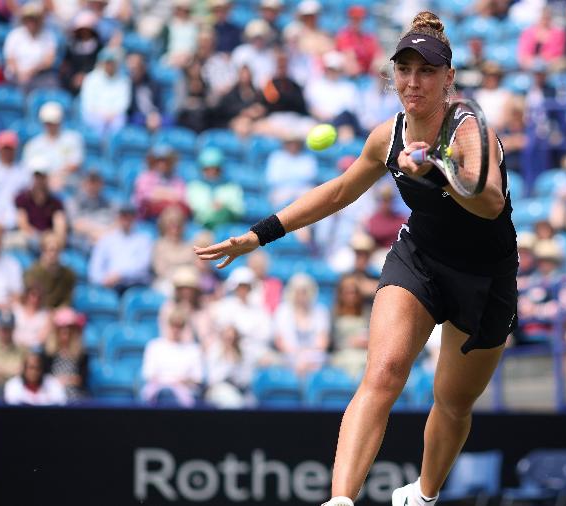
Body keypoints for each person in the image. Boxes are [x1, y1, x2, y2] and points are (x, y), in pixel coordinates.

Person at [195, 11, 518, 506]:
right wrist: (258, 236)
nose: (413, 82)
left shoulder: (468, 130)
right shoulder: (386, 136)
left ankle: (424, 494)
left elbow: (490, 198)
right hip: (421, 260)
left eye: (427, 71)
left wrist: (436, 169)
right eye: (404, 70)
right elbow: (339, 191)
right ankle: (340, 501)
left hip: (485, 280)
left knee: (453, 403)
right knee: (383, 372)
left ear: (449, 78)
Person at [140, 307, 202, 407]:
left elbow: (196, 379)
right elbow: (149, 374)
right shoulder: (154, 346)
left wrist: (180, 383)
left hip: (184, 393)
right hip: (157, 392)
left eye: (180, 325)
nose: (176, 329)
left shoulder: (193, 350)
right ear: (167, 324)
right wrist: (170, 383)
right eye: (173, 324)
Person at [21, 102, 85, 192]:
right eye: (48, 122)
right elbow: (29, 169)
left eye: (54, 122)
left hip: (67, 184)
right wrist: (48, 179)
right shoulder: (33, 145)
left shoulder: (72, 139)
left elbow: (75, 163)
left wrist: (56, 177)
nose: (51, 126)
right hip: (41, 185)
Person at [42, 307, 89, 401]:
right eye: (62, 330)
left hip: (75, 398)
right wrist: (56, 382)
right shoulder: (48, 354)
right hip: (53, 398)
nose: (65, 333)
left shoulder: (81, 354)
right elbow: (44, 378)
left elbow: (82, 379)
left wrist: (64, 380)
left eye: (69, 330)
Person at [24, 233, 76, 309]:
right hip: (39, 311)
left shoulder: (68, 274)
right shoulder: (32, 272)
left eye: (57, 250)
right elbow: (32, 299)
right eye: (50, 250)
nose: (53, 254)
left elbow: (67, 299)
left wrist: (58, 311)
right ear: (43, 250)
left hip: (58, 313)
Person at [0, 310, 25, 398]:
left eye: (8, 329)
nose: (5, 332)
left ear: (13, 329)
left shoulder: (21, 349)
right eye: (3, 329)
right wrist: (9, 369)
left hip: (15, 390)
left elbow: (21, 371)